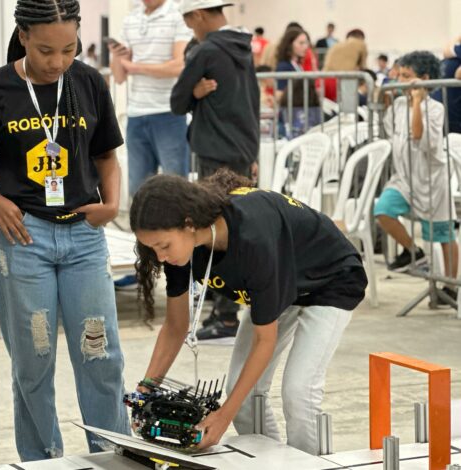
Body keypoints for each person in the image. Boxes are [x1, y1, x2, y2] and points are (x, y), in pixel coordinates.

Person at [0, 0, 129, 461]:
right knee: (33, 362)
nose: (58, 63)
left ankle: (113, 455)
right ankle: (43, 460)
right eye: (45, 51)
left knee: (100, 356)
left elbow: (107, 156)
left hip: (84, 238)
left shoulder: (88, 82)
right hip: (23, 239)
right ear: (22, 36)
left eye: (69, 49)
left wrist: (111, 204)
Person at [130, 171, 367, 454]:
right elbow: (175, 326)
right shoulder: (181, 251)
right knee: (242, 398)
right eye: (152, 249)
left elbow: (264, 341)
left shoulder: (252, 237)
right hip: (280, 283)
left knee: (298, 392)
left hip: (331, 279)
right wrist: (146, 390)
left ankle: (308, 464)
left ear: (188, 223)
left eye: (163, 246)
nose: (160, 257)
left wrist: (222, 418)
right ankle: (271, 462)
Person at [171, 0, 260, 340]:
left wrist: (193, 93)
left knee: (215, 230)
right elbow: (251, 102)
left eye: (188, 21)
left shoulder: (206, 51)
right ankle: (228, 308)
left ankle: (225, 317)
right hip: (241, 150)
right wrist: (252, 152)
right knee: (236, 228)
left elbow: (177, 102)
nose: (189, 28)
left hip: (213, 153)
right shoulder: (244, 47)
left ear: (199, 15)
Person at [109, 0, 192, 288]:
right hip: (136, 114)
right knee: (139, 195)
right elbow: (119, 76)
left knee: (177, 194)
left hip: (169, 113)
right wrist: (118, 58)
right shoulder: (131, 19)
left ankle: (187, 271)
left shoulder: (176, 15)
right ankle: (143, 268)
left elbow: (178, 66)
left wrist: (134, 65)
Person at [374, 50, 458, 302]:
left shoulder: (435, 108)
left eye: (406, 76)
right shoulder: (399, 105)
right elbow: (389, 128)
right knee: (383, 209)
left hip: (432, 180)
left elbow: (418, 135)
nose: (400, 81)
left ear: (424, 78)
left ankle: (450, 287)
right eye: (398, 75)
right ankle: (414, 251)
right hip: (405, 178)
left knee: (443, 234)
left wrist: (418, 103)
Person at [321, 29, 367, 102]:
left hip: (325, 81)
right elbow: (363, 66)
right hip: (344, 82)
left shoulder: (335, 45)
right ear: (361, 38)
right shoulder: (361, 44)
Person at [274, 26, 309, 103]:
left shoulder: (297, 65)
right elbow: (279, 94)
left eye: (306, 43)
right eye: (301, 43)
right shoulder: (283, 66)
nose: (305, 47)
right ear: (289, 44)